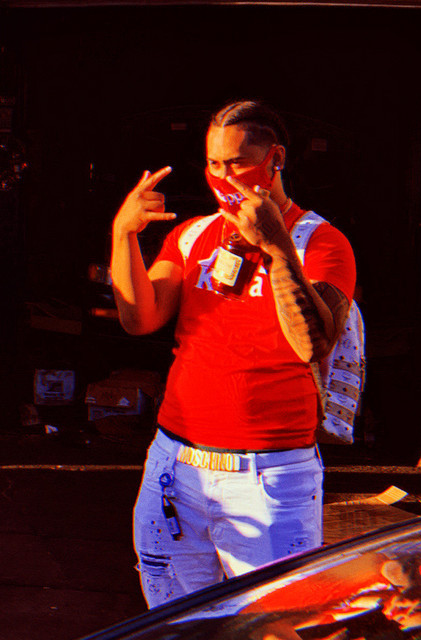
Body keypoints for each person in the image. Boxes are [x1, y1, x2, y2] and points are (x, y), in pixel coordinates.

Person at [110, 100, 356, 608]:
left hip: (269, 475)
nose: (224, 177)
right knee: (176, 619)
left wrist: (276, 246)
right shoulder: (192, 235)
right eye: (214, 163)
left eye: (238, 162)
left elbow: (312, 344)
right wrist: (124, 233)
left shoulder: (321, 243)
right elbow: (140, 318)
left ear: (275, 159)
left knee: (274, 620)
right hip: (175, 463)